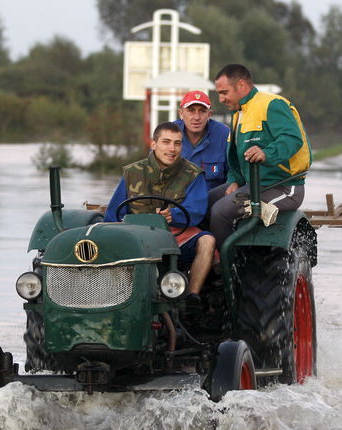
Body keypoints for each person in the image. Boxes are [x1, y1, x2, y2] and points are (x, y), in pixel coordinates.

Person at [104, 122, 215, 307]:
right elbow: (113, 213)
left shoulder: (194, 174)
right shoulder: (132, 173)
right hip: (136, 240)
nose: (172, 149)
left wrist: (175, 215)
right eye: (166, 142)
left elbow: (196, 210)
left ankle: (191, 297)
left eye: (177, 143)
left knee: (208, 241)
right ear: (153, 144)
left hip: (176, 238)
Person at [211, 64, 312, 248]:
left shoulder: (272, 104)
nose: (221, 99)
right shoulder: (239, 114)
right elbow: (235, 156)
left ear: (240, 85)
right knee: (204, 201)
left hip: (284, 187)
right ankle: (200, 255)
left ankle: (228, 267)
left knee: (220, 211)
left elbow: (292, 138)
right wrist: (233, 179)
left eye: (224, 92)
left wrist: (267, 153)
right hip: (252, 185)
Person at [174, 90, 230, 190]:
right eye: (191, 110)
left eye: (202, 111)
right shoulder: (168, 133)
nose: (196, 117)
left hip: (212, 200)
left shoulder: (224, 134)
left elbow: (234, 174)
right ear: (181, 113)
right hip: (176, 198)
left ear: (209, 114)